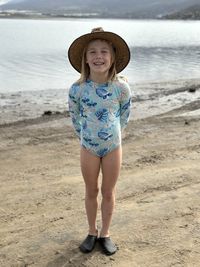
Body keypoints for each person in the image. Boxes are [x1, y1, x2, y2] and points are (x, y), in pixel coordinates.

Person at [68, 27, 131, 256]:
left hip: (114, 146)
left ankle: (105, 233)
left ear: (112, 57)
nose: (98, 56)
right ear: (85, 58)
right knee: (91, 189)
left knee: (108, 190)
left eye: (104, 51)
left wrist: (116, 134)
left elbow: (125, 113)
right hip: (88, 147)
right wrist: (84, 138)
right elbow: (75, 117)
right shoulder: (78, 89)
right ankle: (91, 231)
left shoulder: (121, 87)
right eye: (92, 52)